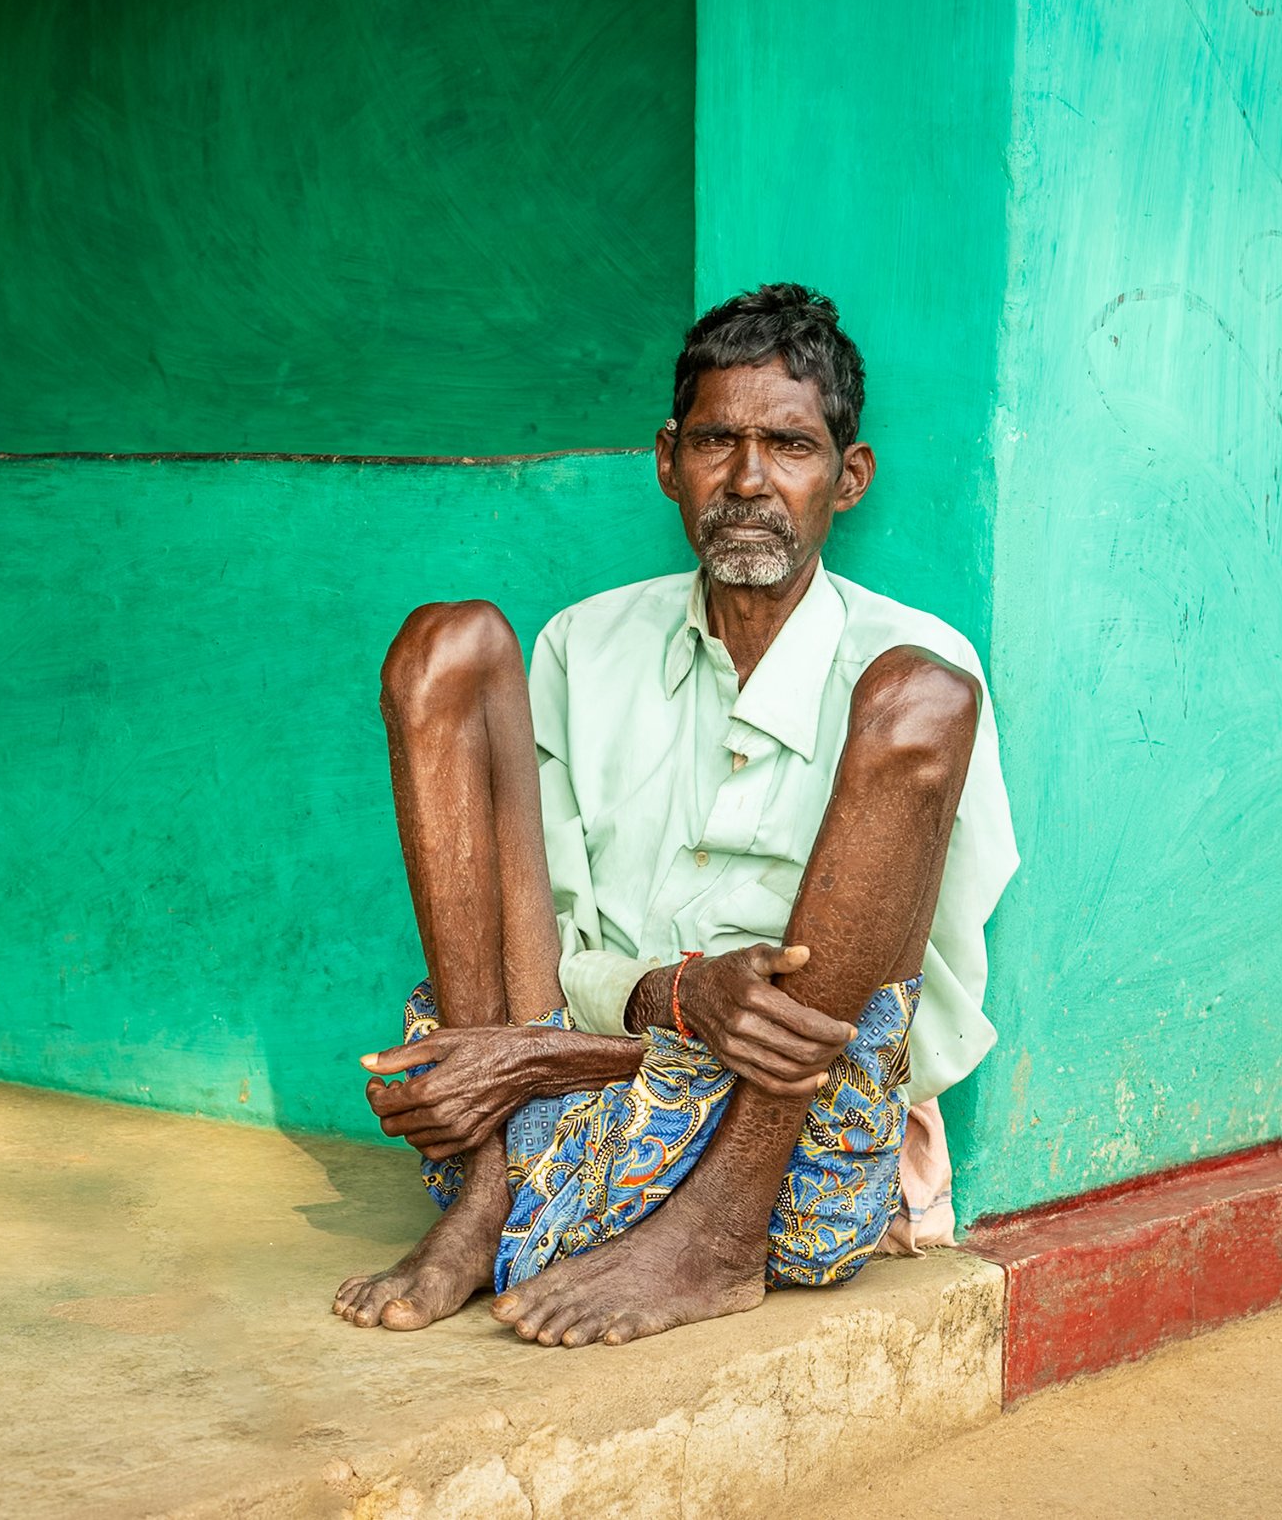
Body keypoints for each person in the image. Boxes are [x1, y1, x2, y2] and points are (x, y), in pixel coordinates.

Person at [331, 284, 1016, 1347]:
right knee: (447, 642)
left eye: (790, 445)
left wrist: (572, 1052)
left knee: (921, 696)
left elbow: (913, 1018)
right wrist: (670, 1000)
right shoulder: (583, 645)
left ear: (849, 477)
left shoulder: (913, 668)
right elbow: (548, 954)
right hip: (548, 1115)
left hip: (784, 1136)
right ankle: (484, 1193)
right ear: (666, 460)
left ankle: (716, 1242)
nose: (748, 481)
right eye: (715, 442)